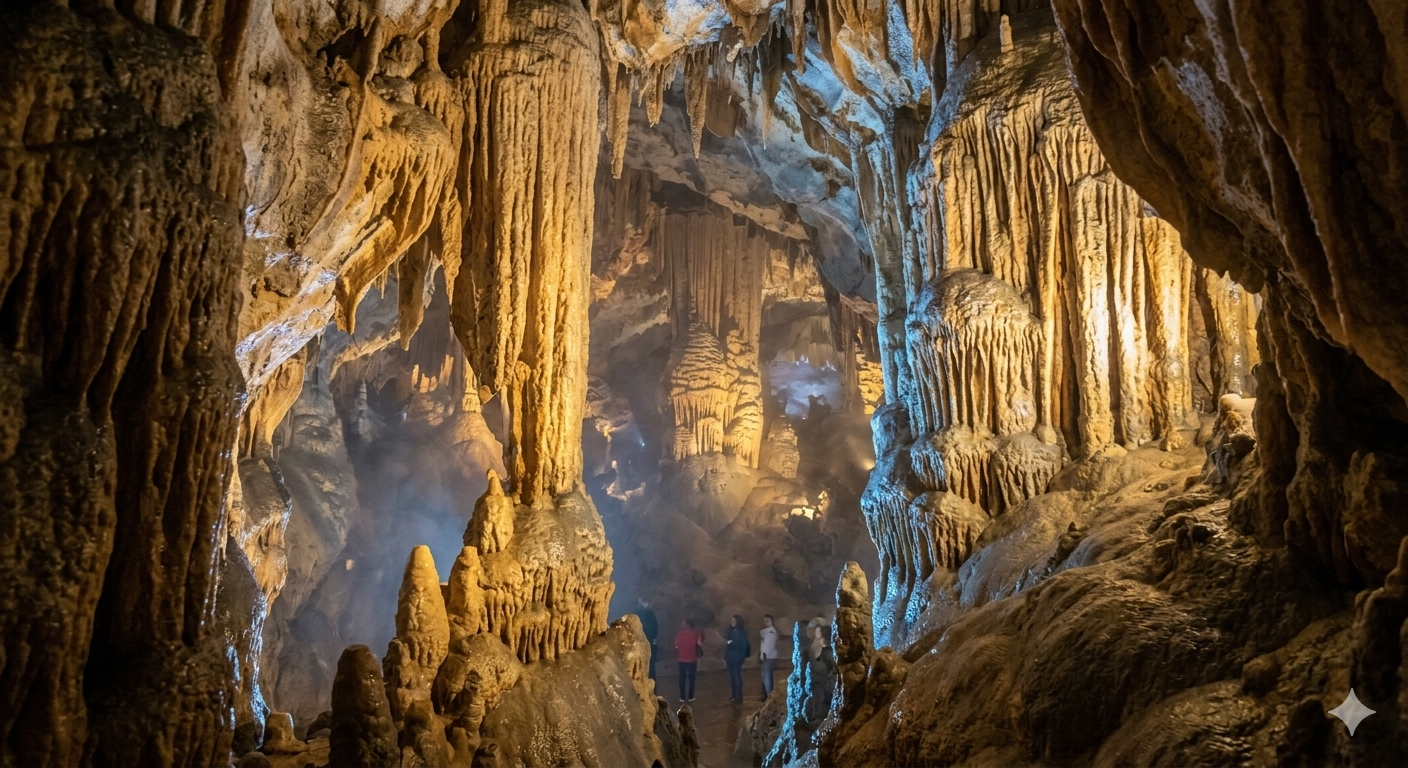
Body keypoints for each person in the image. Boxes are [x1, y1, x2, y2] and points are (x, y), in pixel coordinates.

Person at [674, 619, 704, 702]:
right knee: (691, 678)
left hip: (681, 658)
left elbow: (676, 645)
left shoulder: (679, 633)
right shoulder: (695, 633)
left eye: (684, 624)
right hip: (692, 658)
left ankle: (682, 697)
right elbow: (700, 643)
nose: (683, 625)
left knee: (682, 678)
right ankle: (691, 696)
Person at [723, 615, 751, 703]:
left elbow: (738, 644)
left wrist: (730, 643)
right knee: (733, 676)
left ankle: (738, 695)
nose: (732, 622)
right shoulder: (733, 630)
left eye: (734, 620)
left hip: (736, 657)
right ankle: (734, 694)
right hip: (731, 656)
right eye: (732, 620)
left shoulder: (740, 632)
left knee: (736, 675)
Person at [637, 597, 659, 683]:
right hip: (647, 643)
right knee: (650, 667)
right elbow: (655, 630)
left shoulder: (642, 614)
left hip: (644, 644)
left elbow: (654, 630)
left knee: (648, 667)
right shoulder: (649, 614)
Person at [758, 614, 779, 699]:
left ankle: (769, 696)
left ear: (772, 621)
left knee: (767, 677)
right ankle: (767, 695)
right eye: (765, 620)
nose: (766, 622)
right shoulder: (766, 632)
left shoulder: (771, 632)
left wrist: (764, 655)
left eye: (768, 620)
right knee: (766, 676)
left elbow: (769, 646)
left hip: (768, 657)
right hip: (766, 656)